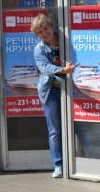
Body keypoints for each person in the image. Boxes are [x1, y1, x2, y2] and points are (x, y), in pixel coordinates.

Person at [30, 13, 79, 178]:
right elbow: (45, 67)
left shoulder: (66, 39)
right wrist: (63, 71)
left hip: (71, 88)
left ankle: (82, 159)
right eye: (40, 32)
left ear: (51, 27)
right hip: (50, 92)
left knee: (79, 125)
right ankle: (59, 164)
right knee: (55, 130)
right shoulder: (39, 49)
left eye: (46, 29)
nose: (44, 34)